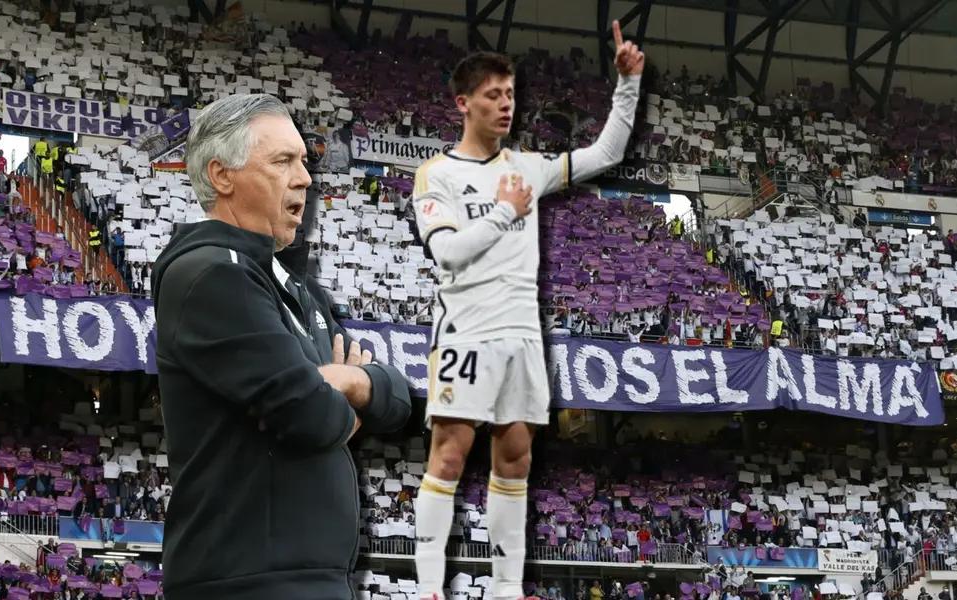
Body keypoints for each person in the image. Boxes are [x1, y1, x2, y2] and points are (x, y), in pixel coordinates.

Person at [411, 22, 644, 600]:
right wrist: (502, 212)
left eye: (511, 94)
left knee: (515, 459)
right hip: (466, 332)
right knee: (450, 453)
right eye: (493, 95)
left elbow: (608, 152)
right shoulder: (437, 174)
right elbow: (446, 252)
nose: (506, 105)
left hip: (522, 336)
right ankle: (428, 587)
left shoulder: (530, 167)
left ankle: (507, 588)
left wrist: (628, 83)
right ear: (463, 103)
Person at [151, 93, 411, 600]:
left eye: (304, 161)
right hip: (249, 584)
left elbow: (396, 399)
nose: (305, 178)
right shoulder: (210, 274)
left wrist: (352, 380)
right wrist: (343, 397)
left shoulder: (296, 290)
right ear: (223, 176)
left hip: (307, 581)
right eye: (283, 161)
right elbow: (314, 418)